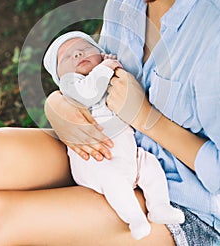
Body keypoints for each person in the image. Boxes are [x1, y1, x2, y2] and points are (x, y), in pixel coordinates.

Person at [0, 0, 219, 245]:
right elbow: (97, 74)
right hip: (108, 150)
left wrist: (147, 118)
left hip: (184, 204)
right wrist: (58, 104)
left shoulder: (213, 25)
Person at [43, 30, 185, 240]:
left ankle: (159, 206)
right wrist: (105, 67)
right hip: (98, 162)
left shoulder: (106, 74)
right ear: (59, 77)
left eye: (84, 48)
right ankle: (134, 218)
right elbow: (90, 92)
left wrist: (108, 68)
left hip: (129, 155)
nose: (77, 55)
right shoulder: (71, 85)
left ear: (100, 52)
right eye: (66, 57)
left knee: (150, 164)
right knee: (113, 181)